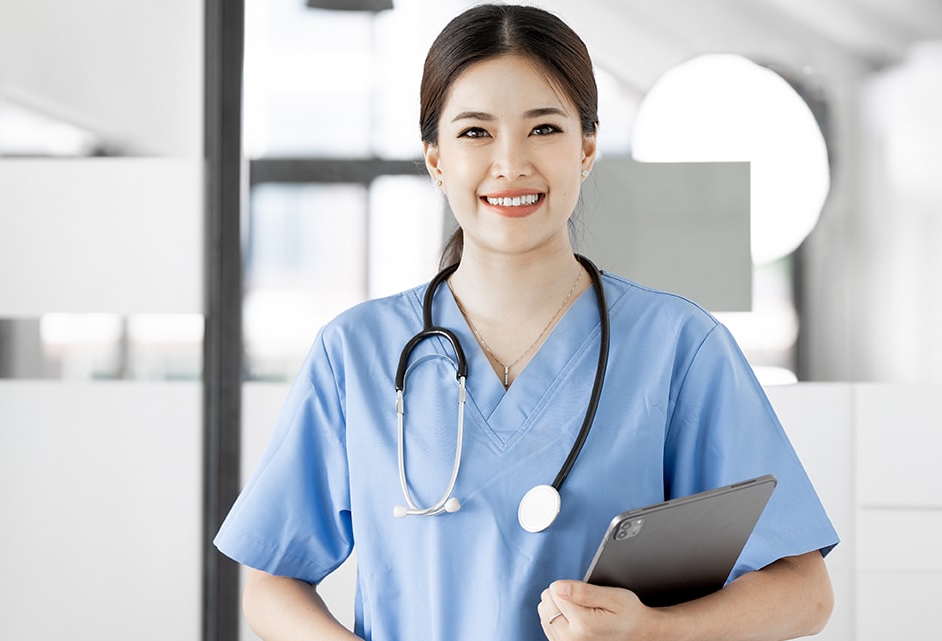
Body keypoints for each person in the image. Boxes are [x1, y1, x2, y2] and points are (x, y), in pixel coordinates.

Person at [213, 5, 839, 640]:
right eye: (475, 133)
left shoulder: (677, 347)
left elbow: (803, 590)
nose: (510, 165)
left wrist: (652, 630)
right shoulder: (356, 352)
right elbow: (271, 582)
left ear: (586, 147)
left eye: (543, 129)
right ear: (434, 158)